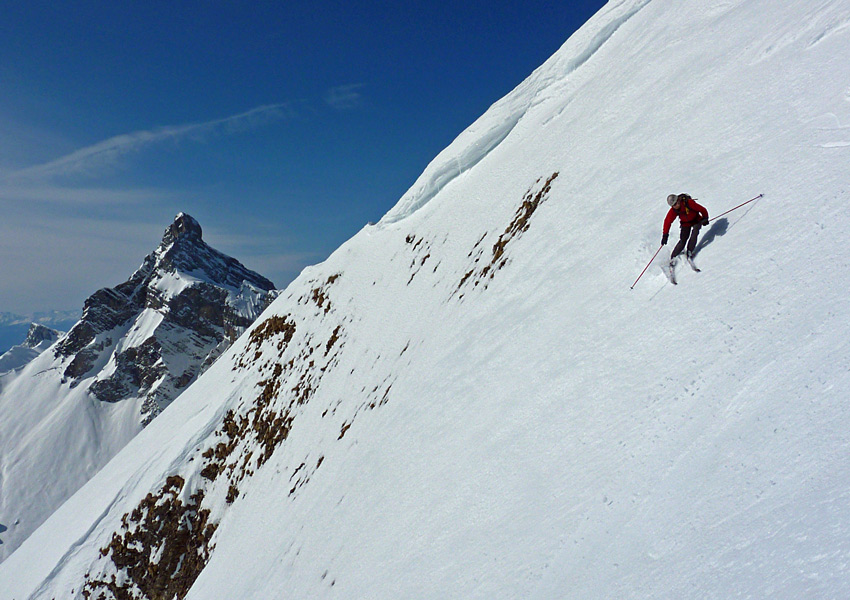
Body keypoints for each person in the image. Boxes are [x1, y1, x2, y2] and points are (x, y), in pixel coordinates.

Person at [661, 193, 709, 263]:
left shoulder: (688, 203)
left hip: (696, 220)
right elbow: (667, 221)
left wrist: (705, 218)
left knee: (694, 233)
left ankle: (689, 251)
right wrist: (665, 234)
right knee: (683, 240)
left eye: (677, 203)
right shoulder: (674, 210)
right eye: (674, 205)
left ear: (678, 200)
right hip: (685, 223)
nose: (676, 205)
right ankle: (673, 257)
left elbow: (702, 209)